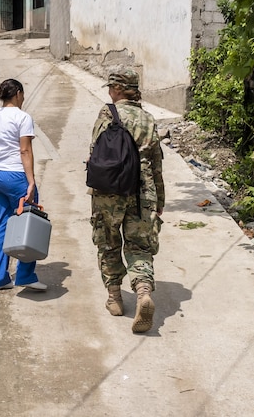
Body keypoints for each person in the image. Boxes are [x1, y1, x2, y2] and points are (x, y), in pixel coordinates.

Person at [89, 67, 164, 334]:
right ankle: (143, 291)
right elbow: (157, 164)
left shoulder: (107, 113)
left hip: (109, 192)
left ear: (118, 89)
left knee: (107, 242)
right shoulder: (148, 118)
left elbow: (95, 152)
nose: (109, 91)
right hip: (142, 191)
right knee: (139, 245)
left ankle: (115, 298)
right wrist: (160, 199)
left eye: (110, 86)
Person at [0, 78, 46, 292]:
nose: (24, 99)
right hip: (16, 175)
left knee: (2, 225)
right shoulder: (23, 117)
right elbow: (25, 150)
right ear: (17, 93)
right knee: (28, 221)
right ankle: (25, 275)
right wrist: (31, 181)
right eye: (23, 94)